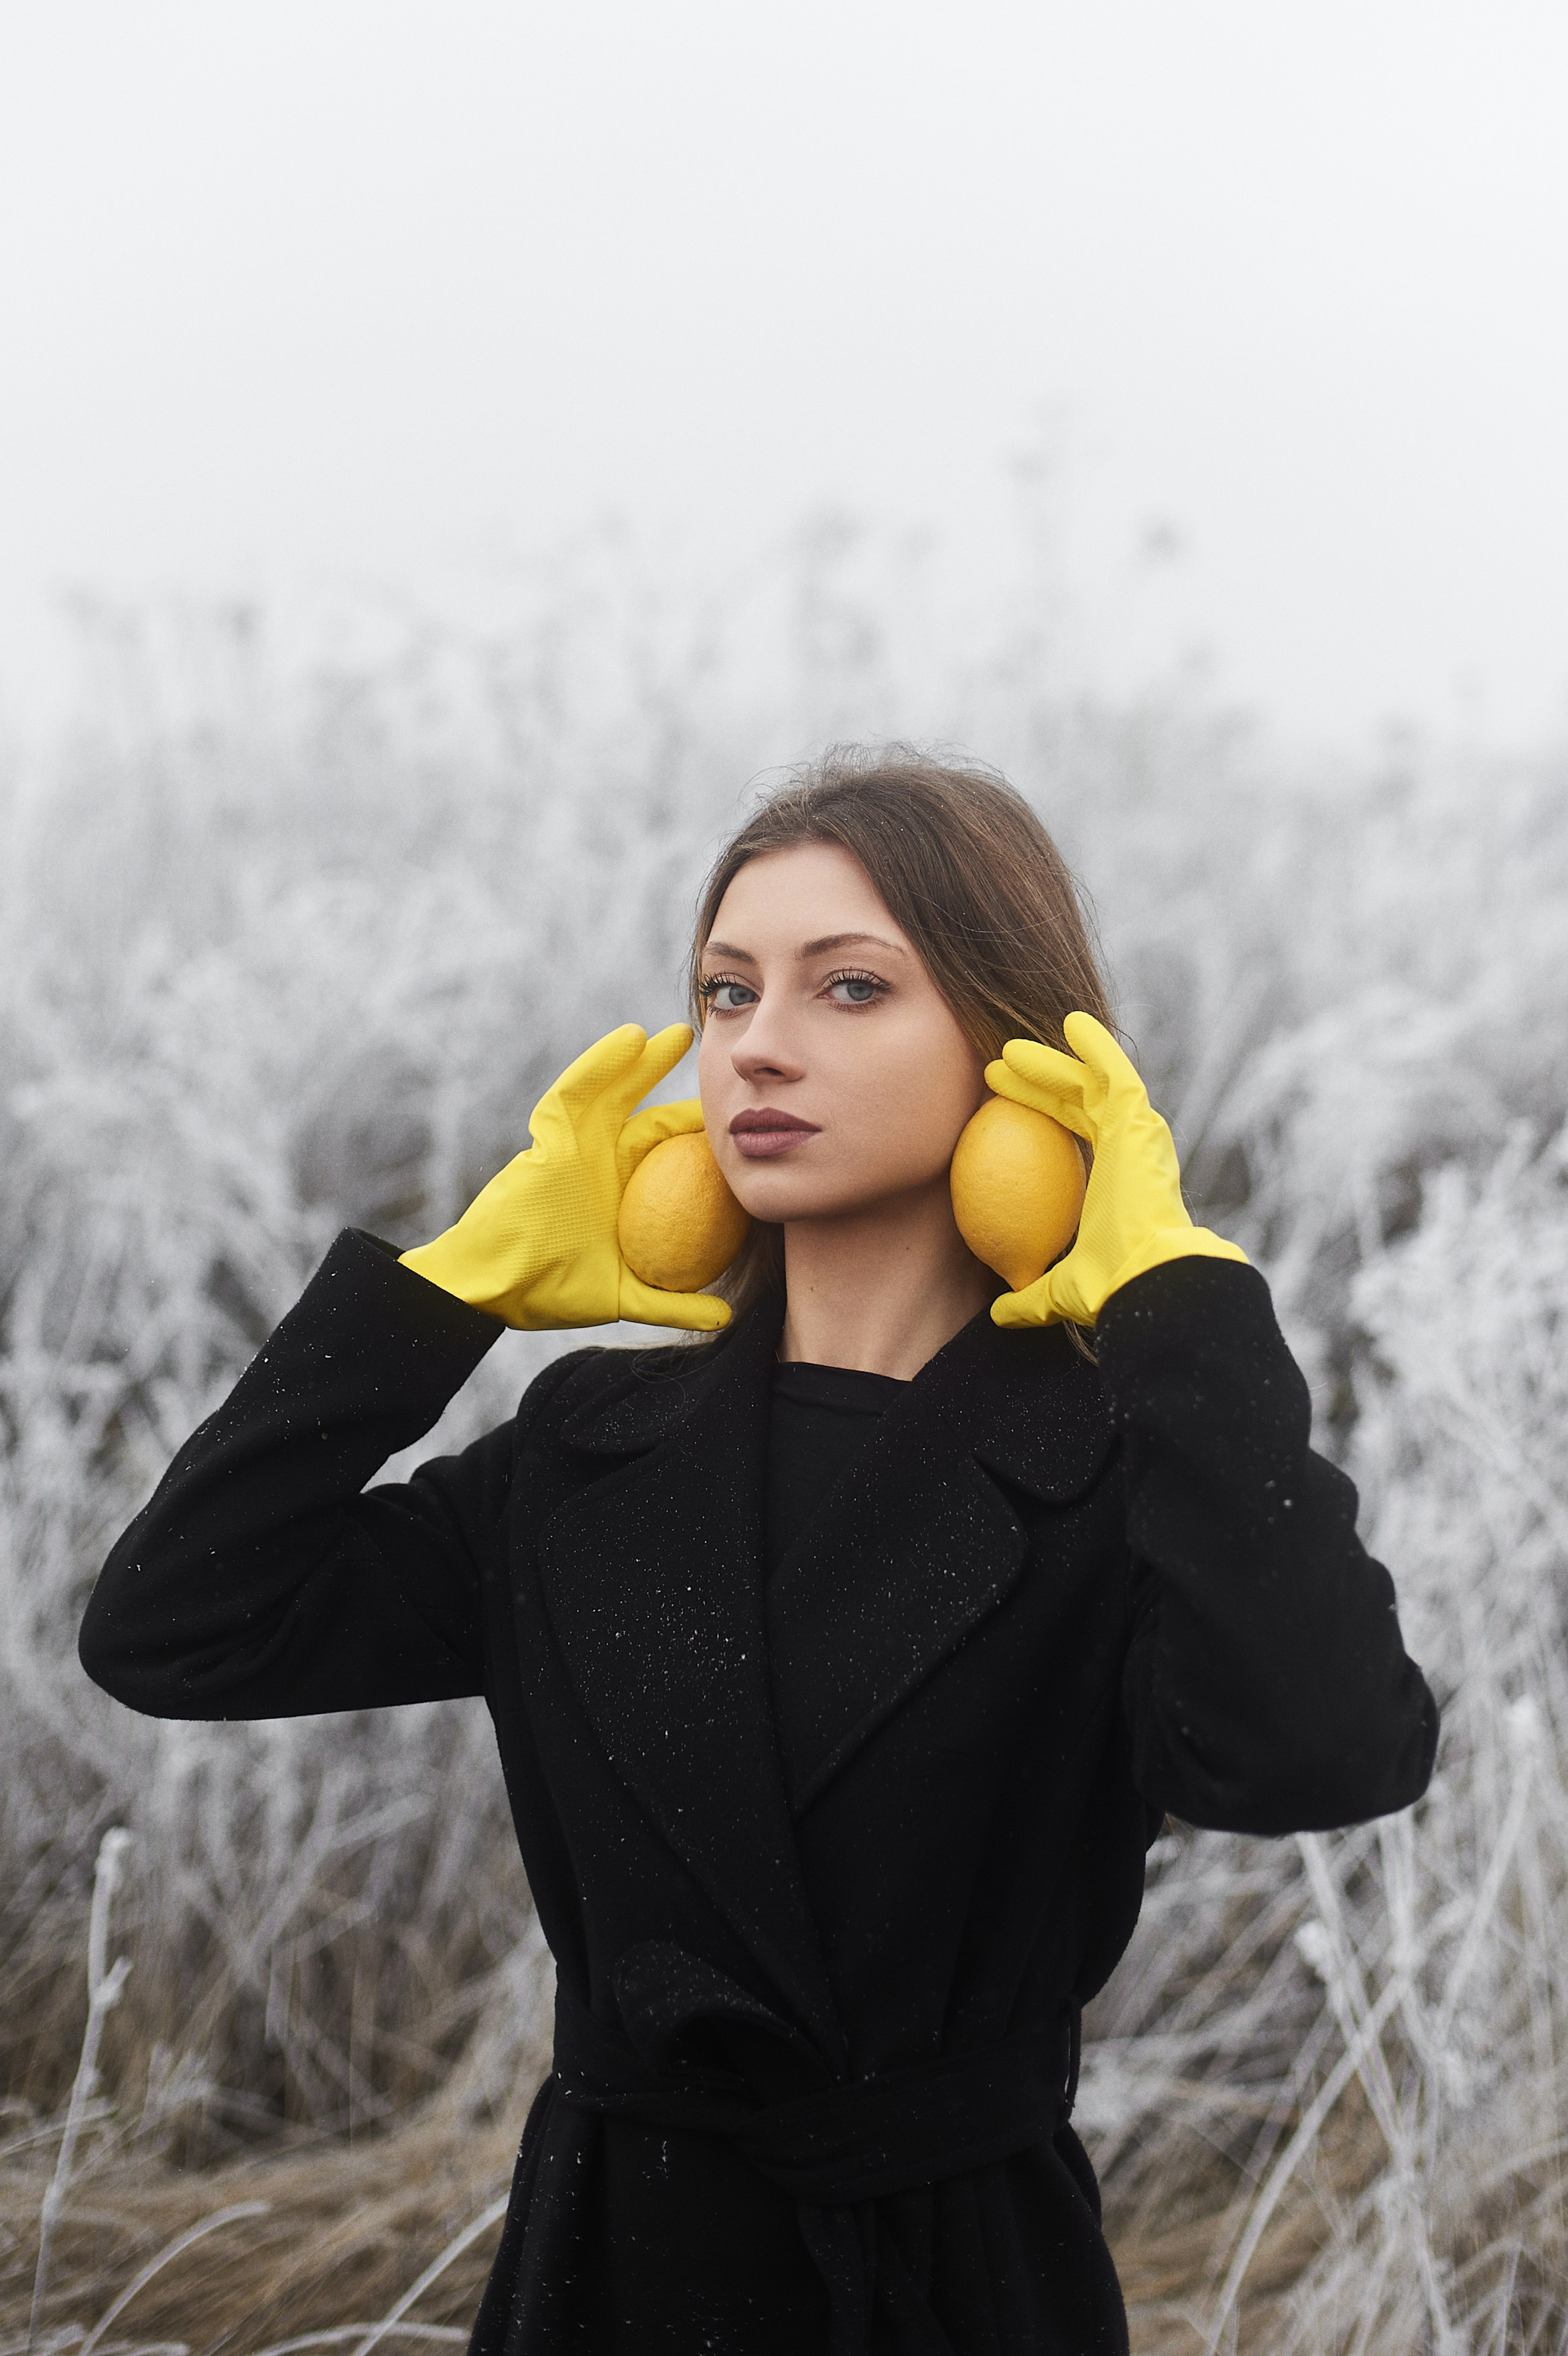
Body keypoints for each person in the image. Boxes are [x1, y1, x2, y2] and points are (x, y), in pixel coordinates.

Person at [79, 747, 1437, 2355]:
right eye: (727, 994)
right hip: (607, 2271)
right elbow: (175, 1631)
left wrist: (1179, 1314)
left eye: (850, 989)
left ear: (1021, 1059)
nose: (761, 1046)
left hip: (954, 2286)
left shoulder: (1119, 1469)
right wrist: (445, 1293)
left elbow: (1326, 1755)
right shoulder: (583, 1452)